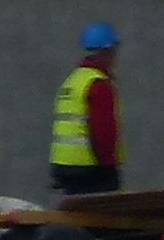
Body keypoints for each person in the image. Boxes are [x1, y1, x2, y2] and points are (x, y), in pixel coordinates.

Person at [50, 24, 124, 197]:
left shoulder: (73, 80)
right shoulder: (98, 84)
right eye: (114, 52)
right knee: (103, 221)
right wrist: (109, 168)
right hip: (90, 170)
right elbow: (103, 132)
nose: (115, 57)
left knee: (75, 219)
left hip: (64, 165)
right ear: (105, 52)